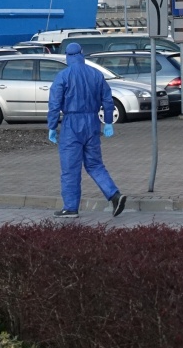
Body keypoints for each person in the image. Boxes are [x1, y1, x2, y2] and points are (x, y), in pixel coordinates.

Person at [47, 42, 126, 219]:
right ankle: (114, 195)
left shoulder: (63, 76)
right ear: (82, 54)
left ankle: (70, 207)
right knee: (95, 164)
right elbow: (107, 99)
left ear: (67, 56)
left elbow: (54, 104)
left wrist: (52, 126)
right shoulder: (96, 74)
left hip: (71, 124)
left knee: (70, 168)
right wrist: (108, 122)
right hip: (92, 122)